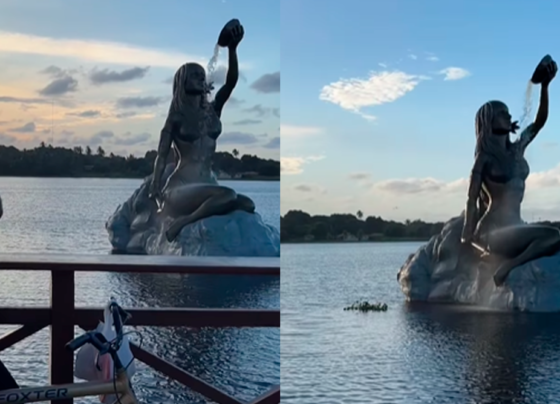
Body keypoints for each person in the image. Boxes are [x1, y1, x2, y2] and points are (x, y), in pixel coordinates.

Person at [148, 22, 255, 242]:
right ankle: (184, 222)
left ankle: (195, 217)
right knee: (227, 195)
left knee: (247, 204)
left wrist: (232, 50)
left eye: (202, 75)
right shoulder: (176, 117)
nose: (200, 78)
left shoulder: (212, 111)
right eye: (194, 75)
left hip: (207, 184)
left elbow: (231, 83)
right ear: (182, 82)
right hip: (181, 188)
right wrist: (155, 185)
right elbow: (161, 155)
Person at [461, 58, 559, 286]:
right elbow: (471, 199)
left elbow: (539, 122)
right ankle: (510, 265)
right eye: (501, 113)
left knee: (554, 232)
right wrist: (467, 233)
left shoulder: (517, 148)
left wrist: (545, 87)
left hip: (516, 226)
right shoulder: (484, 158)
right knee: (553, 236)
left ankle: (513, 262)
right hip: (493, 231)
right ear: (489, 121)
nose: (508, 116)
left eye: (507, 112)